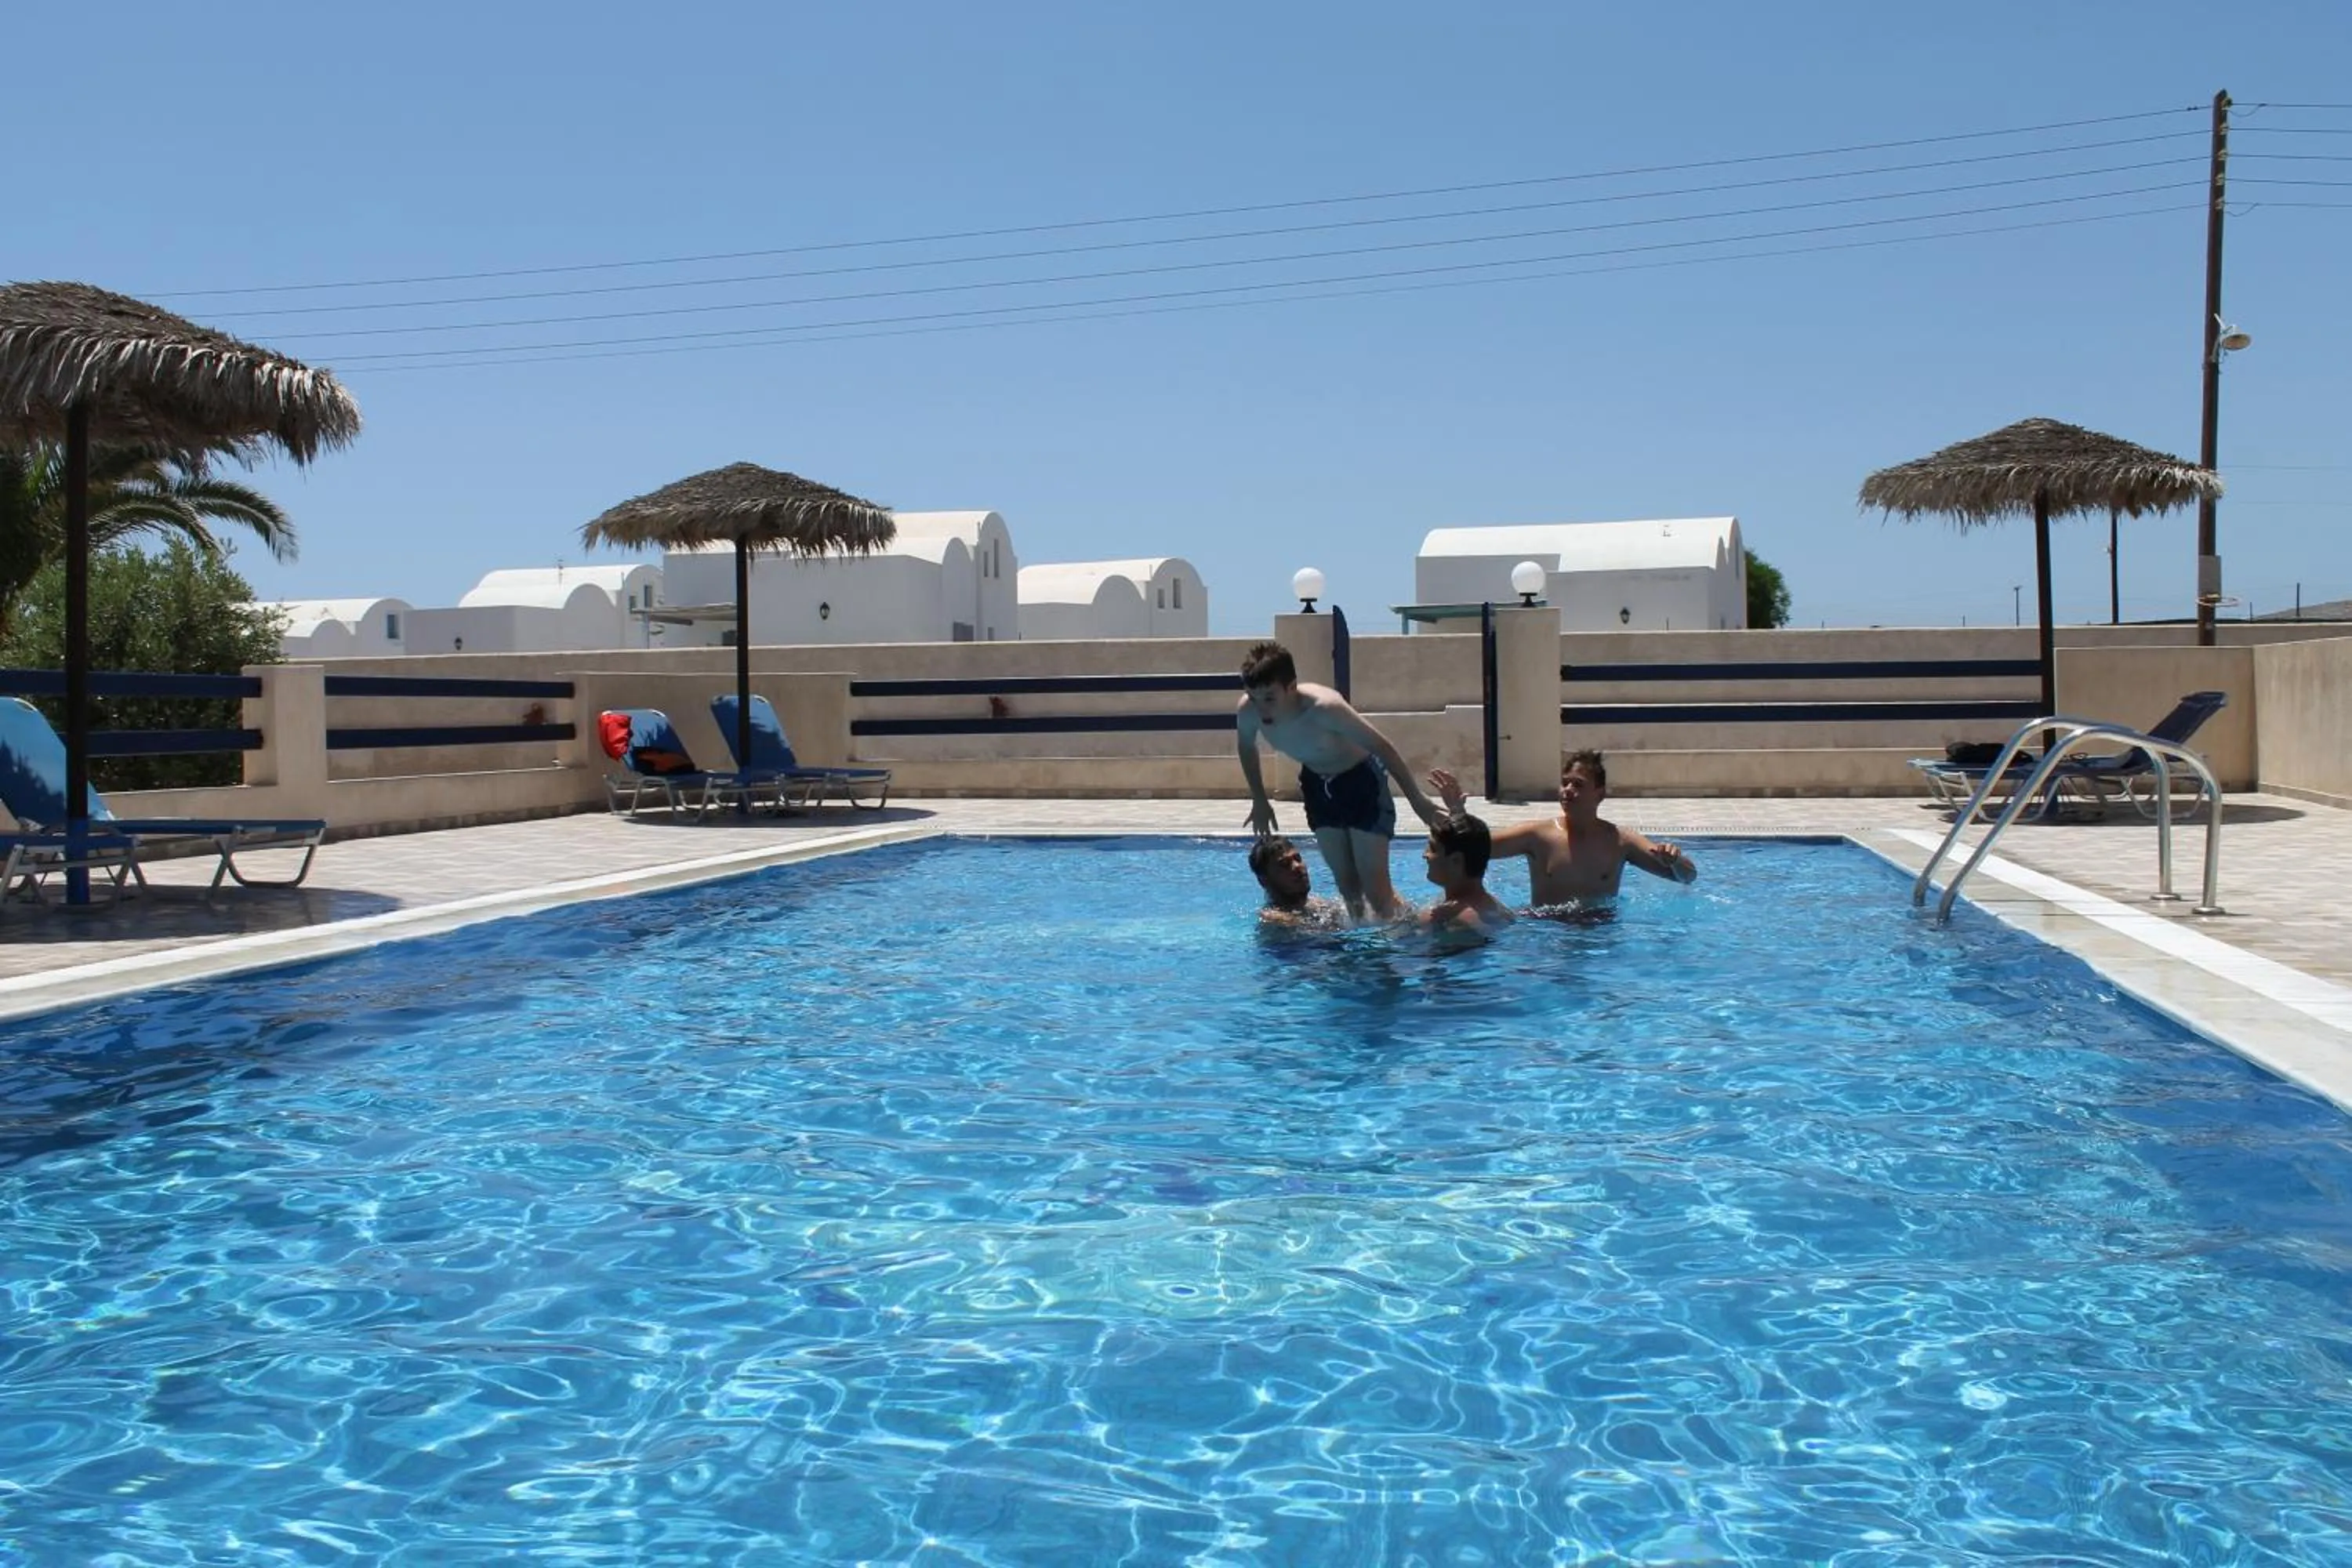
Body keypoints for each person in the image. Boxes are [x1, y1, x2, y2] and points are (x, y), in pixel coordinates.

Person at [1236, 641, 1443, 920]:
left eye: (1270, 698)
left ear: (1291, 687)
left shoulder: (1325, 708)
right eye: (1254, 696)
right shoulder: (1249, 710)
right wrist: (1259, 799)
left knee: (1375, 891)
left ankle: (1409, 932)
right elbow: (1247, 747)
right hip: (1316, 785)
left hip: (1360, 781)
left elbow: (1383, 747)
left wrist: (1417, 799)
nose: (1262, 708)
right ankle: (1358, 950)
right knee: (1348, 888)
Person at [1429, 749, 1696, 908]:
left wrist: (1675, 860)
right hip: (1547, 934)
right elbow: (1478, 849)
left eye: (1578, 784)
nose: (1567, 790)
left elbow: (1687, 877)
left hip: (1600, 940)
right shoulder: (1538, 836)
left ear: (1600, 794)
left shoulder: (1621, 841)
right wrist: (1457, 812)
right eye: (1565, 783)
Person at [1420, 812, 1512, 945]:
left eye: (1433, 849)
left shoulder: (1455, 920)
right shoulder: (1498, 909)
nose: (1425, 855)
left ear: (1456, 860)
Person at [1247, 836, 1348, 928]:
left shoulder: (1318, 905)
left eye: (1298, 858)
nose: (1297, 866)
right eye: (1285, 864)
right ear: (1264, 880)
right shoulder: (1273, 919)